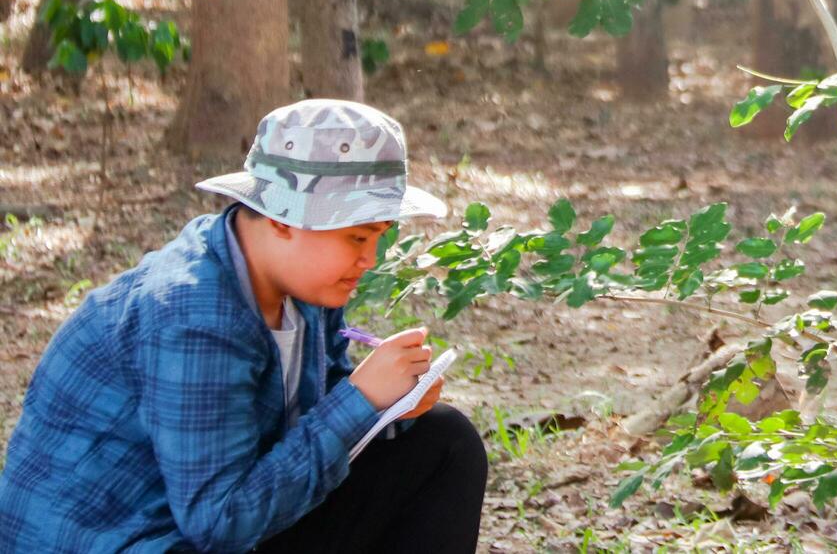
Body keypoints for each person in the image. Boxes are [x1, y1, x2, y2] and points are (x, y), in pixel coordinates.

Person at [0, 99, 487, 553]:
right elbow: (219, 523)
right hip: (130, 538)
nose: (368, 258)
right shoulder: (192, 317)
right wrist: (359, 402)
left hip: (216, 522)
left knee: (443, 444)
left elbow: (312, 415)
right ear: (282, 218)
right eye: (356, 236)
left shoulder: (303, 285)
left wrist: (387, 408)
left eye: (377, 236)